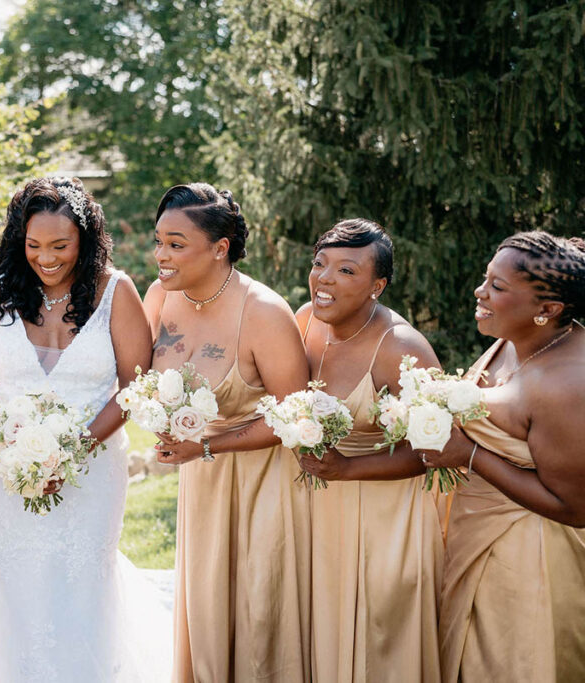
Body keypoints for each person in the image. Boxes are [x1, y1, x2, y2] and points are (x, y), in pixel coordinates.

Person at [0, 177, 169, 681]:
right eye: (33, 245)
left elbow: (135, 385)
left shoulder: (115, 291)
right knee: (11, 581)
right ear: (18, 240)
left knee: (81, 581)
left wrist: (71, 451)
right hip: (3, 466)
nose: (46, 258)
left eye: (60, 246)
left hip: (91, 467)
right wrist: (6, 444)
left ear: (85, 240)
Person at [144, 183, 311, 682]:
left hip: (265, 485)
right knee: (208, 606)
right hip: (203, 485)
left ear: (220, 248)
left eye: (176, 244)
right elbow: (131, 376)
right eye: (159, 241)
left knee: (259, 612)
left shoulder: (263, 312)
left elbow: (294, 417)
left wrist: (207, 444)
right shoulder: (159, 297)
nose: (161, 256)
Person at [422, 231, 585, 682]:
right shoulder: (513, 341)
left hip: (528, 561)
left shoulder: (570, 383)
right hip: (473, 539)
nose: (480, 292)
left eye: (497, 287)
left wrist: (467, 453)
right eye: (485, 279)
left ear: (547, 310)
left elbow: (575, 509)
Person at [294, 219, 443, 682]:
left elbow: (437, 449)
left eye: (347, 271)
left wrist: (349, 467)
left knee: (379, 632)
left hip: (384, 514)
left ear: (377, 285)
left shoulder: (400, 347)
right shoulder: (305, 321)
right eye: (321, 264)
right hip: (313, 507)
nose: (325, 278)